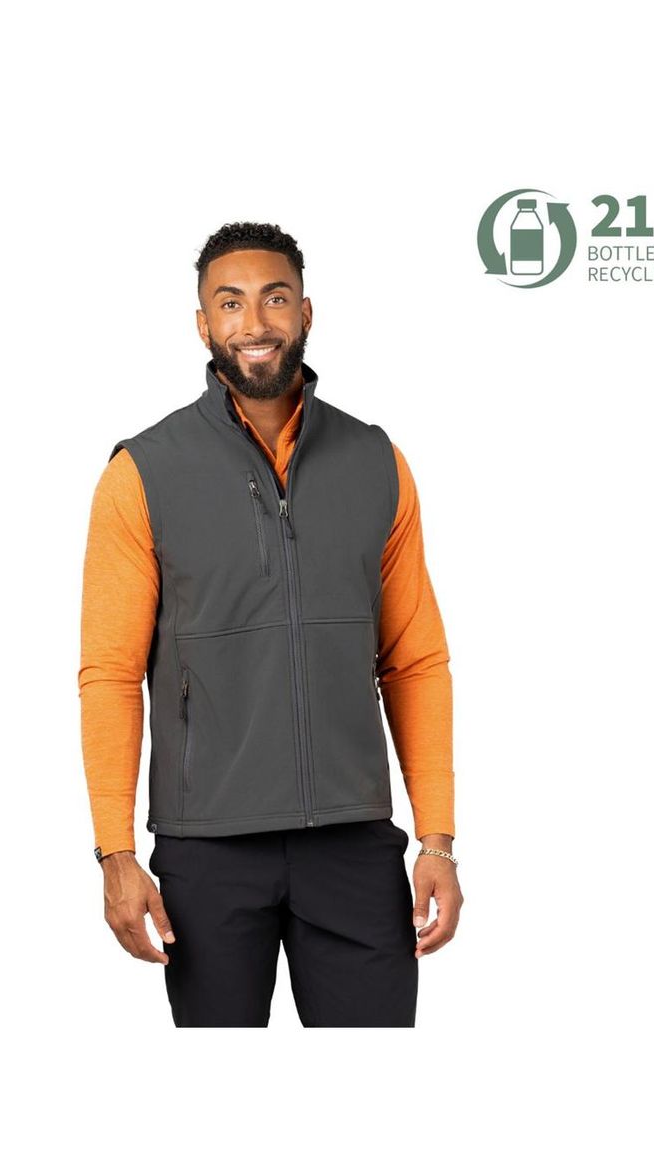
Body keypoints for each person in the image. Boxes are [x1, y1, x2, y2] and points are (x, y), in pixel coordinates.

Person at [78, 222, 463, 1027]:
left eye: (274, 298)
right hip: (207, 850)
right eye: (230, 303)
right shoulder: (142, 472)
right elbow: (110, 673)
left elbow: (414, 661)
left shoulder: (374, 461)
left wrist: (436, 840)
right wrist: (115, 852)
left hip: (353, 843)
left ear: (305, 312)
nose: (254, 322)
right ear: (202, 324)